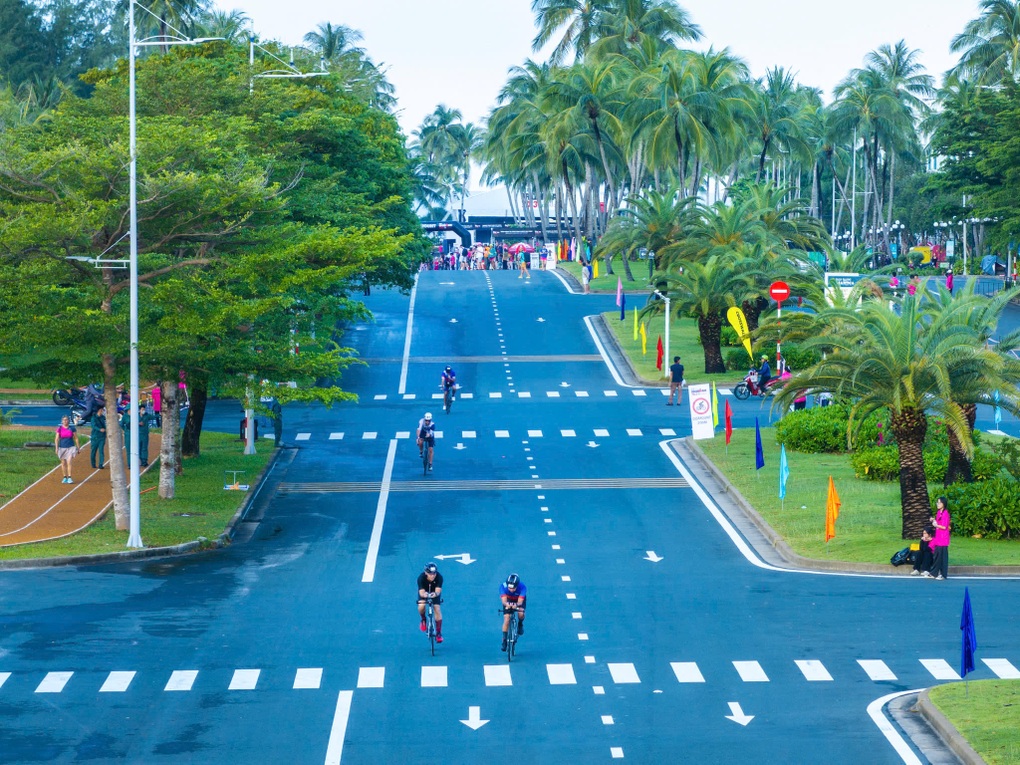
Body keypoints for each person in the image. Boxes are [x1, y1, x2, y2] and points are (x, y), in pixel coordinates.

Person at [500, 573, 527, 651]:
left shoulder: (522, 587)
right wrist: (507, 604)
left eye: (513, 588)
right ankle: (504, 640)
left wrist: (516, 605)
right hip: (508, 599)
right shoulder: (503, 587)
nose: (511, 590)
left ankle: (520, 624)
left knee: (521, 614)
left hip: (518, 600)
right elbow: (504, 601)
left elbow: (520, 602)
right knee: (506, 618)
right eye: (509, 588)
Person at [417, 561, 443, 643]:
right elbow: (421, 592)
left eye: (434, 573)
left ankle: (438, 633)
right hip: (424, 592)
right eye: (430, 574)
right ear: (426, 573)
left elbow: (438, 591)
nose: (432, 575)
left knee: (437, 609)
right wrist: (425, 595)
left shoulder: (439, 577)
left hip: (434, 593)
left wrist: (434, 594)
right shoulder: (420, 578)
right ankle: (423, 619)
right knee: (421, 605)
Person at [928, 496, 951, 580]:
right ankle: (934, 573)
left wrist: (936, 525)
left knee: (942, 557)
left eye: (939, 502)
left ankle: (943, 574)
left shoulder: (946, 514)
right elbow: (938, 522)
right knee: (937, 555)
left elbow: (944, 526)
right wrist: (933, 520)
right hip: (938, 537)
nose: (937, 504)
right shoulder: (939, 512)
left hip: (943, 538)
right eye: (937, 502)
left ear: (943, 504)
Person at [54, 415, 80, 484]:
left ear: (69, 421)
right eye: (64, 420)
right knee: (63, 463)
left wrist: (78, 447)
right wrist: (56, 448)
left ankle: (70, 477)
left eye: (66, 420)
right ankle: (65, 477)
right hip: (62, 447)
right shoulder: (59, 429)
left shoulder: (72, 428)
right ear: (62, 421)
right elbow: (57, 439)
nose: (65, 421)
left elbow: (76, 438)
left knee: (69, 462)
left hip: (70, 447)